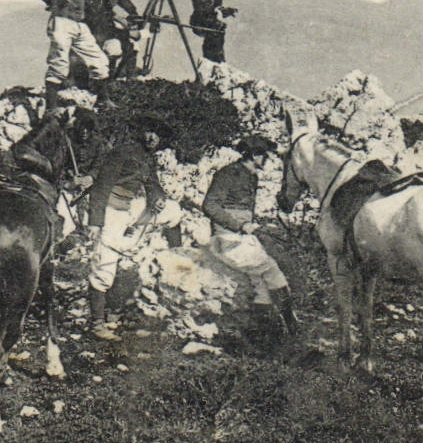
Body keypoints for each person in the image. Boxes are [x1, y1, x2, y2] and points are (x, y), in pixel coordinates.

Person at [84, 118, 184, 340]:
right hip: (112, 208)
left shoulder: (147, 158)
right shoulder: (123, 152)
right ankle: (97, 323)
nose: (152, 137)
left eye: (156, 135)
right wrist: (95, 221)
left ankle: (179, 255)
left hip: (131, 207)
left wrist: (157, 199)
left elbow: (153, 185)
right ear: (141, 132)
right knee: (105, 261)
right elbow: (102, 185)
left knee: (173, 210)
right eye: (149, 131)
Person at [201, 133, 298, 336]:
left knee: (261, 283)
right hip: (227, 238)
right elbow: (210, 205)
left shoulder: (251, 175)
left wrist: (249, 226)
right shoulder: (228, 173)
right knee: (271, 270)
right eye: (265, 156)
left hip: (241, 237)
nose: (268, 160)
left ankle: (263, 335)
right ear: (254, 154)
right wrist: (240, 225)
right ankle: (292, 325)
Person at [37, 0, 112, 110]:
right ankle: (52, 107)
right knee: (59, 63)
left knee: (99, 60)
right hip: (62, 21)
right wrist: (57, 2)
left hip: (79, 22)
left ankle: (104, 100)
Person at [104, 0, 141, 79]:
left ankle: (128, 77)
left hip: (108, 36)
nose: (117, 2)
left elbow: (111, 16)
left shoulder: (104, 7)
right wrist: (128, 33)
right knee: (115, 47)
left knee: (130, 46)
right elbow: (107, 30)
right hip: (103, 40)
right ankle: (112, 77)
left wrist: (123, 20)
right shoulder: (100, 10)